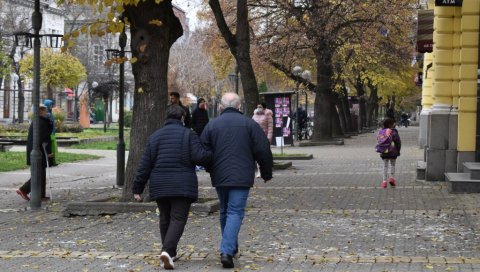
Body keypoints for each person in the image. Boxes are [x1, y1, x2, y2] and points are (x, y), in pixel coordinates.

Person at [132, 105, 211, 270]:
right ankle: (167, 251)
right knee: (178, 218)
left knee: (165, 218)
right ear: (182, 118)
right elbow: (199, 157)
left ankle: (170, 253)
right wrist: (211, 151)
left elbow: (144, 165)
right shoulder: (188, 134)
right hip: (182, 184)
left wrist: (137, 188)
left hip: (160, 184)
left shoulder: (155, 137)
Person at [201, 92, 273, 269]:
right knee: (235, 211)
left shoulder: (212, 125)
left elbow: (203, 151)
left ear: (221, 107)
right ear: (239, 107)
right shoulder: (249, 124)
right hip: (242, 176)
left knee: (225, 210)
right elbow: (262, 150)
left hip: (220, 176)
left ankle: (230, 246)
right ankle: (226, 250)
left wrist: (210, 167)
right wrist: (266, 173)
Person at [16, 104, 53, 201]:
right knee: (38, 173)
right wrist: (48, 152)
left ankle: (40, 195)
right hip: (39, 151)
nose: (46, 113)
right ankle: (24, 189)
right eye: (45, 111)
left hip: (36, 150)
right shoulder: (41, 122)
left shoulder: (38, 121)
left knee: (40, 173)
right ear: (40, 112)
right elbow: (44, 139)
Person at [375, 118, 401, 188]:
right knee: (393, 165)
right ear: (390, 124)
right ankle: (392, 178)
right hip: (393, 151)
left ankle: (384, 182)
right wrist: (398, 150)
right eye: (393, 123)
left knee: (385, 166)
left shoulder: (381, 131)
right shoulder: (394, 131)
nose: (394, 124)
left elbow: (379, 141)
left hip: (384, 151)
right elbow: (398, 142)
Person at [252, 104, 273, 178]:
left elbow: (270, 128)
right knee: (257, 154)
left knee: (264, 155)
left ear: (264, 108)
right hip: (256, 137)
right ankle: (259, 171)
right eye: (257, 107)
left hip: (264, 137)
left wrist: (268, 138)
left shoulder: (268, 115)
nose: (258, 108)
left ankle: (265, 170)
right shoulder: (254, 115)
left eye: (260, 107)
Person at [43, 99, 58, 166]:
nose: (51, 106)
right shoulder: (47, 114)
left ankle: (53, 161)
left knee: (53, 148)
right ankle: (50, 162)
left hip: (52, 133)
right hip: (49, 134)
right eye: (50, 105)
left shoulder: (50, 113)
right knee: (49, 148)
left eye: (51, 105)